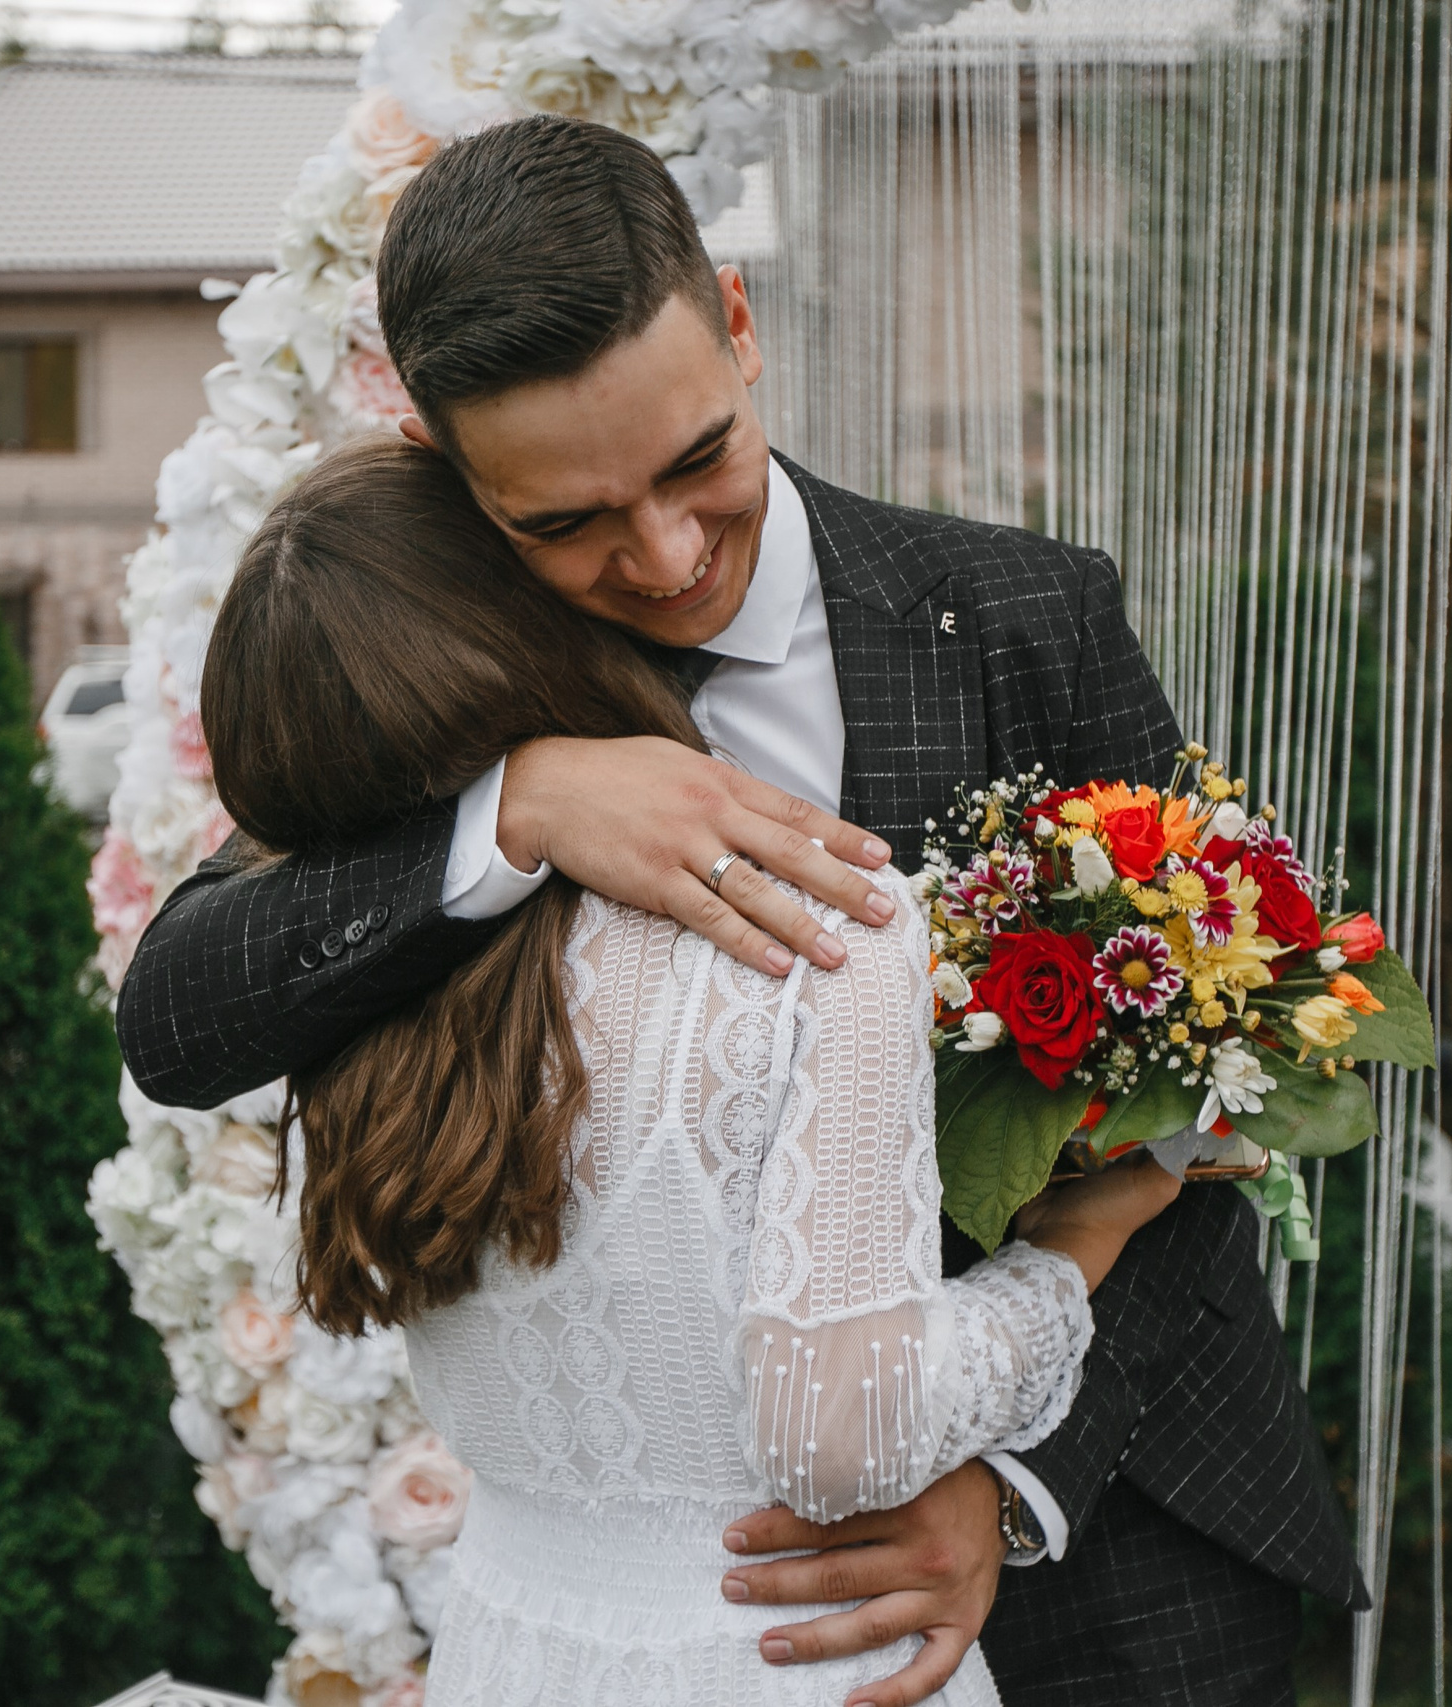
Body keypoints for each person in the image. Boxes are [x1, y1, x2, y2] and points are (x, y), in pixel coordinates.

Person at [118, 113, 1366, 1707]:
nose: (662, 554)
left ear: (739, 324)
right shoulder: (447, 681)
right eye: (562, 522)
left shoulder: (1023, 615)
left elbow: (1212, 1086)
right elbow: (179, 1007)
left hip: (1123, 1541)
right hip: (717, 1618)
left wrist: (1007, 1482)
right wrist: (518, 808)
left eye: (697, 459)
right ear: (449, 469)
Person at [200, 435, 1184, 1706]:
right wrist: (1074, 1250)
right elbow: (840, 1437)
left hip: (510, 1649)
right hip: (788, 1660)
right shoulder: (825, 928)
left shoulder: (355, 1001)